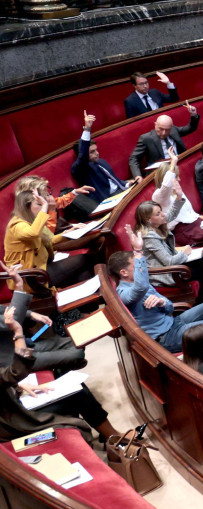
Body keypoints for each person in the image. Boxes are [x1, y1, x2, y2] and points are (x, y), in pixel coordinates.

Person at [109, 225, 203, 372]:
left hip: (173, 322)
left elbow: (170, 307)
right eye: (136, 266)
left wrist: (162, 302)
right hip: (165, 337)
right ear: (124, 272)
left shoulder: (140, 281)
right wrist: (138, 251)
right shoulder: (123, 292)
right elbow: (140, 287)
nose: (142, 268)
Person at [0, 307, 119, 443]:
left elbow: (10, 375)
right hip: (11, 418)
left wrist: (19, 385)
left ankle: (112, 437)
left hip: (12, 399)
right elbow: (18, 370)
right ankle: (114, 440)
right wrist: (18, 333)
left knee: (74, 386)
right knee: (77, 396)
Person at [135, 200, 203, 300]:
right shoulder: (149, 237)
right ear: (148, 219)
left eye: (161, 210)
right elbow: (169, 262)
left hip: (175, 265)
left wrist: (179, 198)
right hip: (168, 274)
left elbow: (172, 214)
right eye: (158, 213)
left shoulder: (157, 224)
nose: (163, 214)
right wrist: (184, 253)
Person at [0, 262, 85, 373]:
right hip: (13, 360)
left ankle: (61, 371)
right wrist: (19, 284)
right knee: (76, 354)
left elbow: (3, 310)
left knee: (74, 342)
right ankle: (59, 373)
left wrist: (31, 314)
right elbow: (12, 319)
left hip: (19, 345)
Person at [4, 190, 94, 290]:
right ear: (27, 206)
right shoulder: (16, 225)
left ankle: (87, 304)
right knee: (85, 259)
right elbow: (33, 233)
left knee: (82, 272)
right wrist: (45, 206)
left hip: (43, 266)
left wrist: (68, 233)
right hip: (29, 277)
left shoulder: (33, 220)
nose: (44, 208)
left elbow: (49, 240)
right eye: (39, 204)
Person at [152, 148, 203, 246]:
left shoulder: (177, 189)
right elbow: (166, 186)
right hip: (186, 232)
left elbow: (188, 211)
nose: (179, 179)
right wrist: (174, 162)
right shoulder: (159, 196)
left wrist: (200, 216)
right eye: (176, 177)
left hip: (196, 224)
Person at [71, 111, 137, 203]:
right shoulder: (80, 168)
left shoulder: (101, 162)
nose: (97, 153)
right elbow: (83, 154)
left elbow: (115, 182)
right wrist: (87, 129)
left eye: (96, 150)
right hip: (108, 200)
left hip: (121, 192)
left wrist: (128, 184)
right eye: (92, 152)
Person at [128, 106, 199, 178]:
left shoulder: (173, 130)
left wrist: (194, 114)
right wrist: (137, 176)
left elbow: (190, 128)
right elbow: (134, 159)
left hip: (179, 166)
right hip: (161, 173)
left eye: (167, 130)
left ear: (171, 126)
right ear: (155, 125)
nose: (164, 133)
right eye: (161, 129)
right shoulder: (146, 138)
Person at [16, 176, 93, 233]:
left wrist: (75, 192)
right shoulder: (32, 212)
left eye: (46, 191)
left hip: (65, 230)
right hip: (56, 240)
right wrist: (52, 210)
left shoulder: (44, 200)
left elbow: (61, 201)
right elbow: (49, 234)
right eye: (43, 192)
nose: (47, 194)